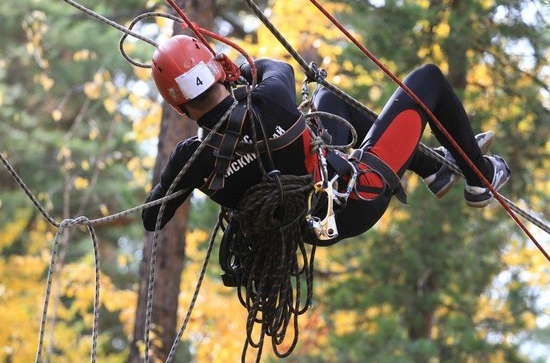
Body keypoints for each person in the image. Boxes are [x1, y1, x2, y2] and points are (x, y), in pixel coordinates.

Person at [142, 34, 511, 245]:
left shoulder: (190, 158)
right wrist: (237, 70)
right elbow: (277, 67)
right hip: (356, 195)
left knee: (328, 101)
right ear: (216, 70)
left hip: (312, 228)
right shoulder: (268, 99)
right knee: (428, 78)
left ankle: (435, 170)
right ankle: (479, 178)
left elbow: (151, 218)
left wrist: (184, 178)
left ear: (176, 105)